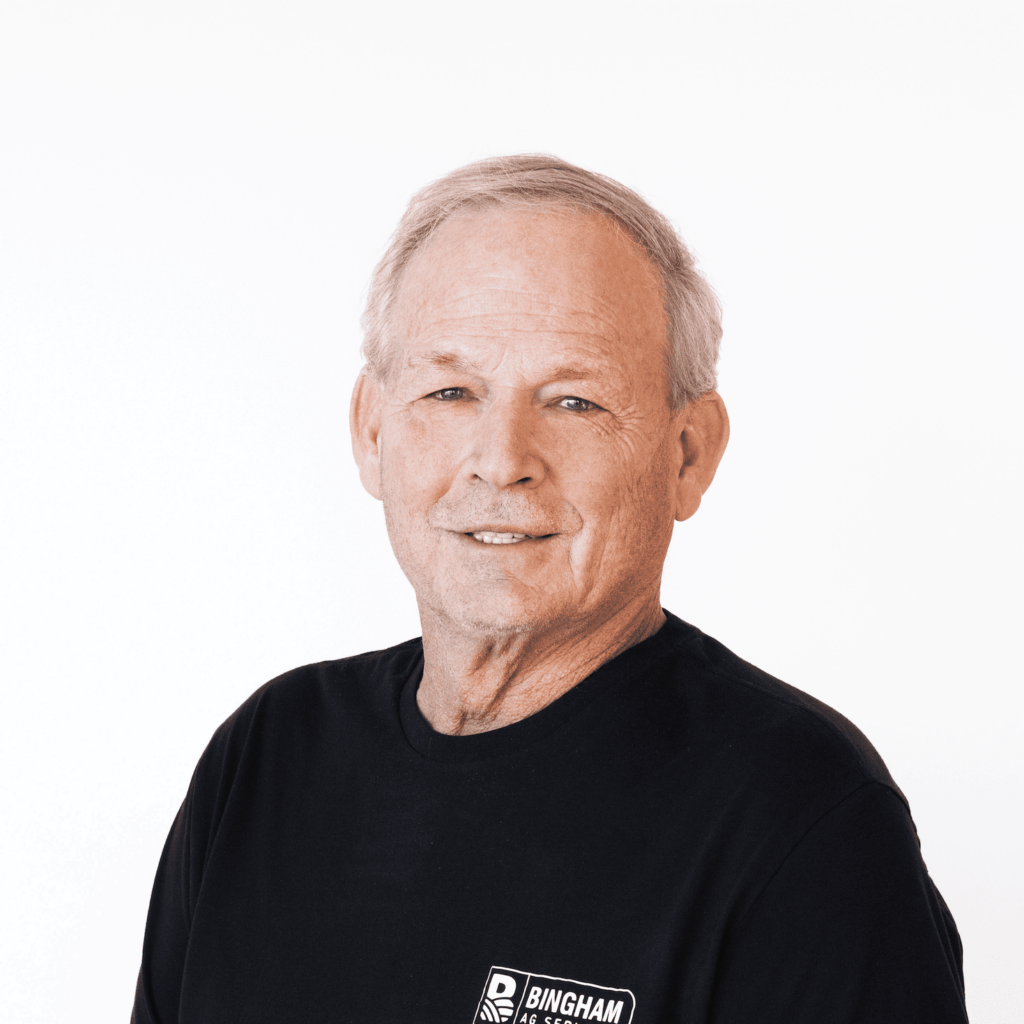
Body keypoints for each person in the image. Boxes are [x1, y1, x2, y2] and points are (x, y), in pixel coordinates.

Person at [131, 155, 968, 1023]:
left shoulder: (802, 818)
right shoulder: (265, 762)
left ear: (688, 453)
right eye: (451, 391)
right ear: (372, 430)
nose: (501, 460)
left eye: (573, 401)